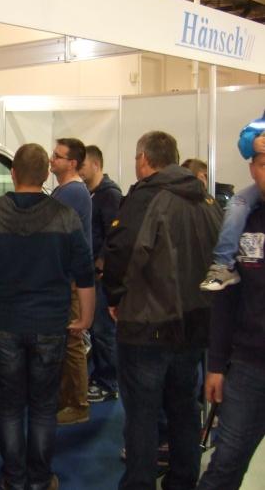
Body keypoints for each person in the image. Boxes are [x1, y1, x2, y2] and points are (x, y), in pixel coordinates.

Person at [0, 143, 94, 490]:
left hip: (3, 324)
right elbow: (85, 274)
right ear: (46, 173)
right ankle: (39, 479)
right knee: (43, 406)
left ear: (13, 174)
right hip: (50, 325)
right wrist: (86, 318)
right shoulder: (65, 217)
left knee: (9, 406)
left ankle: (14, 478)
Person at [103, 131, 222, 490]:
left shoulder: (146, 197)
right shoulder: (207, 202)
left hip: (147, 323)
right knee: (184, 408)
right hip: (195, 323)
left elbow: (121, 251)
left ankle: (139, 482)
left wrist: (114, 297)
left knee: (142, 413)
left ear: (144, 159)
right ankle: (183, 480)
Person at [196, 150, 265, 490]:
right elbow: (225, 299)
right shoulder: (242, 220)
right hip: (248, 365)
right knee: (225, 463)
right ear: (252, 168)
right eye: (264, 163)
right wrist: (216, 365)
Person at [49, 138, 93, 425]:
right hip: (63, 277)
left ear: (72, 163)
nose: (51, 159)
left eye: (57, 156)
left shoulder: (73, 193)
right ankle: (66, 398)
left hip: (70, 280)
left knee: (72, 341)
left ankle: (77, 404)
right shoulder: (63, 191)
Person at [200, 113, 265, 291]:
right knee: (237, 203)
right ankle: (223, 264)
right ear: (253, 170)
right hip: (251, 303)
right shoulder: (259, 125)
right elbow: (243, 142)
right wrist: (253, 143)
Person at [78, 145, 122, 403]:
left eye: (82, 165)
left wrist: (101, 266)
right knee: (95, 329)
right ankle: (101, 377)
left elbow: (114, 235)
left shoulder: (110, 195)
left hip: (102, 276)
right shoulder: (89, 194)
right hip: (90, 273)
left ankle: (109, 382)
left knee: (104, 330)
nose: (79, 169)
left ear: (96, 164)